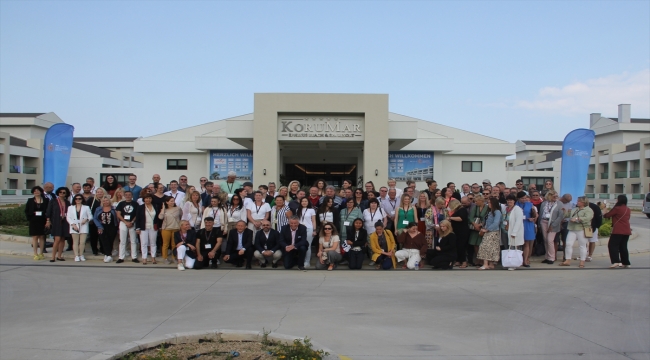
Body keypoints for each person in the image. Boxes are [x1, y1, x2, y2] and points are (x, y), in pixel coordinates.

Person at [560, 196, 593, 268]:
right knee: (568, 244)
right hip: (572, 228)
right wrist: (564, 211)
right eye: (577, 201)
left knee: (582, 246)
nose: (577, 202)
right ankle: (567, 260)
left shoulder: (588, 210)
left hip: (581, 229)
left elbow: (588, 218)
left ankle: (582, 261)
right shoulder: (574, 209)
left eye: (579, 201)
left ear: (584, 202)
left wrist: (577, 219)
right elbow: (568, 215)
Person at [603, 195, 632, 269]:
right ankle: (626, 262)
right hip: (627, 230)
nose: (616, 200)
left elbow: (607, 215)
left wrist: (605, 209)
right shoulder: (628, 209)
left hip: (618, 230)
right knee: (623, 246)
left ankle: (616, 261)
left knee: (612, 245)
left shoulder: (617, 208)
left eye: (617, 199)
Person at [476, 198, 502, 270]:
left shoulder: (497, 212)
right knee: (490, 248)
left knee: (485, 247)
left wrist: (487, 229)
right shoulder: (489, 212)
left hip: (492, 232)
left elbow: (496, 223)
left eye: (490, 203)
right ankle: (490, 264)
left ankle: (485, 264)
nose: (488, 204)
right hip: (488, 231)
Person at [45, 187, 70, 262]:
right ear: (58, 193)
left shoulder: (67, 202)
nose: (62, 194)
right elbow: (48, 211)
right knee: (57, 239)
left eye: (64, 192)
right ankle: (53, 256)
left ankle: (59, 256)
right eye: (60, 192)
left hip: (65, 221)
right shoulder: (53, 201)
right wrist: (48, 220)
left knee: (62, 239)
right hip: (56, 221)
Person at [538, 191, 563, 265]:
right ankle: (547, 257)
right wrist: (539, 224)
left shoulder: (559, 204)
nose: (555, 197)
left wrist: (553, 225)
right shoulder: (544, 203)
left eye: (556, 196)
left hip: (553, 224)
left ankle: (552, 257)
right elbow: (541, 213)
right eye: (554, 196)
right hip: (544, 222)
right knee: (545, 240)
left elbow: (560, 216)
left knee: (550, 240)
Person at [25, 186, 49, 260]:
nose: (36, 192)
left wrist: (48, 220)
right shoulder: (30, 200)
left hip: (43, 220)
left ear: (41, 191)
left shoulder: (46, 200)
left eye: (38, 191)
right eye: (35, 191)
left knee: (42, 236)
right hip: (34, 220)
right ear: (33, 192)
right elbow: (26, 210)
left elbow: (48, 210)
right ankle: (35, 253)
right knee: (35, 237)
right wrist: (30, 218)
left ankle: (41, 253)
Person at [67, 194, 92, 262]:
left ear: (82, 199)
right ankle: (76, 255)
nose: (78, 200)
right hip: (74, 225)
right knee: (75, 242)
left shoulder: (86, 207)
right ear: (74, 200)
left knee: (82, 242)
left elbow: (90, 216)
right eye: (76, 199)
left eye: (79, 199)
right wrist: (72, 224)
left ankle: (81, 254)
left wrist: (86, 219)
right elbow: (68, 217)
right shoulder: (70, 207)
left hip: (83, 225)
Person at [116, 191, 139, 263]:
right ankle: (121, 257)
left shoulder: (135, 204)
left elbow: (137, 214)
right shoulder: (121, 203)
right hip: (123, 222)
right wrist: (125, 222)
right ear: (124, 196)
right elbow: (118, 214)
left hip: (132, 223)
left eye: (129, 195)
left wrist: (131, 222)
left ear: (132, 195)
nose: (128, 196)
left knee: (133, 240)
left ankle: (134, 257)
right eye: (126, 195)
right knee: (122, 241)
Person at [136, 194, 159, 265]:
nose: (148, 200)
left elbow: (158, 217)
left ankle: (153, 257)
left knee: (153, 243)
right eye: (146, 198)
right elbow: (138, 218)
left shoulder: (155, 206)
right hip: (143, 227)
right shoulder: (140, 207)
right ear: (144, 199)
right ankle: (144, 258)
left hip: (153, 227)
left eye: (149, 198)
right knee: (144, 243)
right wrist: (138, 228)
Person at [94, 195, 118, 263]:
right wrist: (99, 227)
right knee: (104, 241)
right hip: (101, 227)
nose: (105, 202)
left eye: (107, 200)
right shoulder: (98, 209)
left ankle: (107, 254)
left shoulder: (114, 208)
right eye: (104, 201)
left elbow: (117, 218)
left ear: (109, 201)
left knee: (110, 241)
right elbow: (95, 218)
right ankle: (108, 254)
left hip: (112, 227)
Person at [503, 194, 524, 270]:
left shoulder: (517, 209)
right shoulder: (505, 209)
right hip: (505, 231)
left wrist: (514, 232)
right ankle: (508, 262)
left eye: (511, 200)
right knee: (507, 247)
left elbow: (518, 222)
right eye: (508, 200)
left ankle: (513, 264)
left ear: (514, 201)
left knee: (513, 248)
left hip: (513, 232)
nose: (509, 201)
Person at [159, 196, 182, 264]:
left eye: (173, 201)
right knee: (165, 244)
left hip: (176, 228)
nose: (172, 202)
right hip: (166, 228)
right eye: (171, 201)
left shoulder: (178, 208)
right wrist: (163, 208)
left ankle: (174, 257)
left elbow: (181, 216)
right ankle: (165, 258)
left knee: (174, 244)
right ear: (167, 202)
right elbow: (160, 217)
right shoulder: (164, 210)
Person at [516, 192, 537, 267]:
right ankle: (518, 260)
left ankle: (525, 260)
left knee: (527, 243)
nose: (524, 199)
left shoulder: (530, 204)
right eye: (522, 198)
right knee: (518, 243)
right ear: (518, 198)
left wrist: (533, 218)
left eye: (525, 198)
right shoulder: (515, 205)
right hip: (518, 224)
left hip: (528, 223)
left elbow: (535, 215)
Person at [467, 194, 489, 266]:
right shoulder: (475, 207)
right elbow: (470, 217)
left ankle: (482, 259)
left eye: (476, 201)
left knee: (481, 244)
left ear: (481, 201)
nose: (475, 202)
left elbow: (487, 218)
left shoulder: (487, 207)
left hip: (483, 227)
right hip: (475, 227)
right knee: (475, 244)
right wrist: (475, 224)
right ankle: (478, 258)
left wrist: (480, 225)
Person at [447, 199, 469, 268]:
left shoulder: (462, 210)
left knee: (461, 247)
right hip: (457, 231)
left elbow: (461, 218)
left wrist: (450, 218)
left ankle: (464, 262)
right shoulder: (458, 210)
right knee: (457, 246)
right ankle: (458, 260)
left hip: (462, 232)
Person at [296, 197, 316, 267]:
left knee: (308, 245)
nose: (304, 202)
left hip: (309, 229)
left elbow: (313, 220)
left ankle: (307, 262)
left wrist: (314, 230)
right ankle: (301, 260)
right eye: (303, 201)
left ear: (308, 202)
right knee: (301, 245)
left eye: (306, 201)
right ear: (300, 202)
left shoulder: (311, 210)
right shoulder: (297, 210)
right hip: (299, 229)